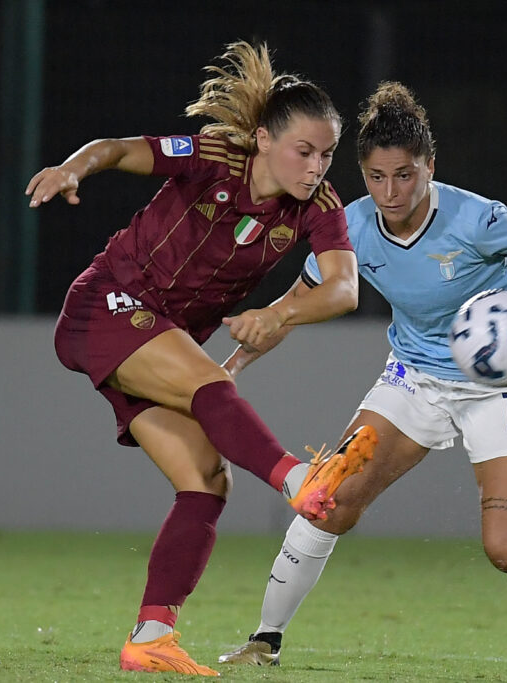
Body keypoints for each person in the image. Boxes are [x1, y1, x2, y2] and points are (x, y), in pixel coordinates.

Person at [216, 82, 507, 666]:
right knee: (325, 497)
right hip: (415, 379)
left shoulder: (478, 220)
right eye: (377, 177)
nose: (391, 191)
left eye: (404, 175)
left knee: (503, 551)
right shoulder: (350, 229)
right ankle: (265, 641)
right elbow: (291, 307)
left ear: (430, 166)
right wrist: (230, 368)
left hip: (505, 386)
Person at [25, 41, 379, 676]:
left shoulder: (316, 209)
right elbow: (116, 148)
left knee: (207, 481)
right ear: (265, 139)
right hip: (109, 303)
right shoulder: (216, 157)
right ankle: (299, 481)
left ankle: (151, 636)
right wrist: (74, 168)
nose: (316, 167)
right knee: (206, 382)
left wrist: (280, 313)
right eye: (305, 151)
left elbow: (344, 289)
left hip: (158, 338)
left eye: (327, 154)